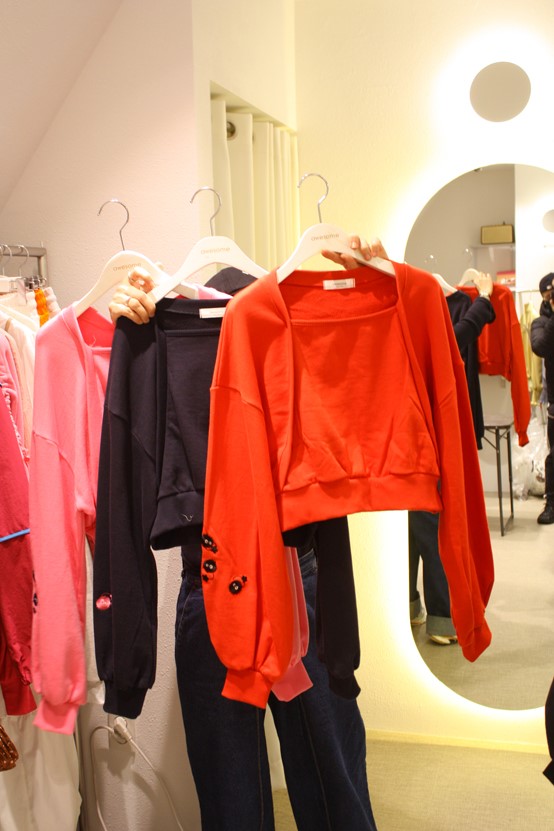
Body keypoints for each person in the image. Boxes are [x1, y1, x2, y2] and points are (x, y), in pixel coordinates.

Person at [106, 261, 380, 831]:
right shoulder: (152, 335)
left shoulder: (297, 326)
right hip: (218, 582)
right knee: (249, 800)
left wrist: (370, 278)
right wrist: (124, 329)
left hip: (290, 575)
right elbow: (122, 494)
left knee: (324, 788)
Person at [323, 242, 495, 645]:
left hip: (419, 426)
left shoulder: (437, 299)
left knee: (418, 524)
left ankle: (417, 605)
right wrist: (484, 304)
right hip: (420, 428)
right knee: (427, 523)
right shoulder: (424, 300)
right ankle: (439, 615)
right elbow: (451, 343)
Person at [530, 272, 554, 524]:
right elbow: (540, 346)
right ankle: (551, 504)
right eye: (550, 296)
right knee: (553, 456)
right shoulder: (541, 322)